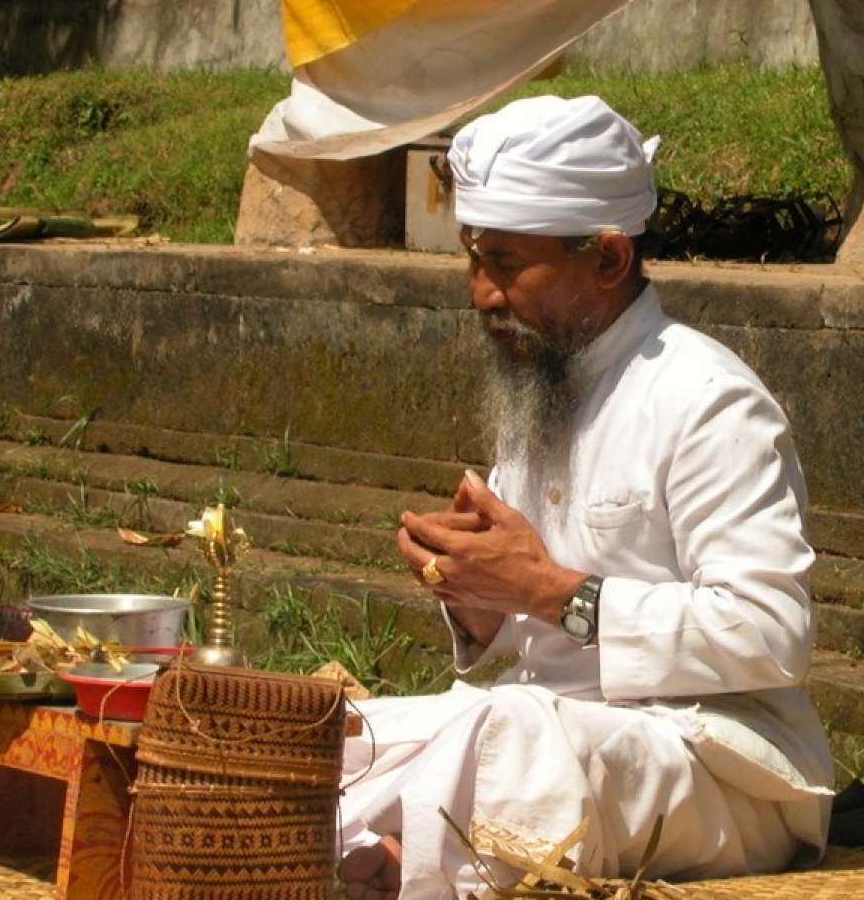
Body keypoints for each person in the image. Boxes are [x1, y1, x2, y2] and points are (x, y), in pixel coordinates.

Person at [336, 95, 834, 900]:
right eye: (473, 259)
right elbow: (527, 634)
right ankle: (384, 854)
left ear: (607, 258)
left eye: (506, 264)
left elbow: (772, 635)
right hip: (555, 727)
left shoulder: (708, 400)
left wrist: (549, 591)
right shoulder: (544, 379)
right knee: (345, 737)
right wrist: (477, 599)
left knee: (503, 734)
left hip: (719, 763)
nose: (481, 293)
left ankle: (401, 864)